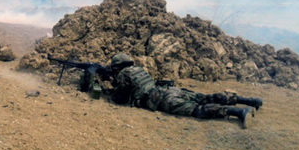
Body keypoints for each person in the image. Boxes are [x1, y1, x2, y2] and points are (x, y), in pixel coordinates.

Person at [108, 54, 263, 129]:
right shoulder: (138, 69)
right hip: (169, 89)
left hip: (161, 98)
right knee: (206, 98)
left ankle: (240, 112)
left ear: (117, 66)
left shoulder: (123, 74)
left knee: (197, 110)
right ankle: (250, 101)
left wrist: (111, 88)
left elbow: (119, 98)